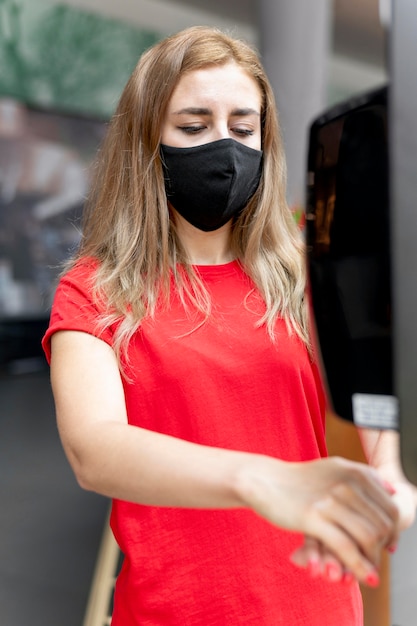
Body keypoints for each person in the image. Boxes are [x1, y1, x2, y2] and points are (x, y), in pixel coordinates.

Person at [42, 26, 416, 626]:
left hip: (316, 606)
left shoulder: (304, 278)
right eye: (194, 127)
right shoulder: (97, 288)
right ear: (146, 141)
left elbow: (375, 415)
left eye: (243, 129)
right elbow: (94, 448)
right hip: (172, 610)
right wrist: (259, 479)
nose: (225, 147)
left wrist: (392, 482)